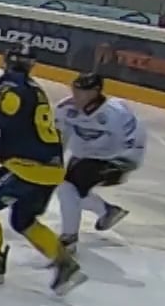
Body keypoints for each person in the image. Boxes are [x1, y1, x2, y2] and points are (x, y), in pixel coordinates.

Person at [0, 43, 83, 293]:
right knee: (23, 219)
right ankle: (64, 262)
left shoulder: (10, 86)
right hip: (52, 168)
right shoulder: (34, 88)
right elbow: (22, 129)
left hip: (27, 167)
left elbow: (15, 135)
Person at [55, 71, 145, 247]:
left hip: (116, 159)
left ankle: (69, 238)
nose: (76, 95)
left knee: (68, 188)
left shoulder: (116, 113)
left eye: (81, 92)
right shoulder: (65, 108)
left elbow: (135, 139)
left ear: (95, 92)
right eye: (75, 90)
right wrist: (54, 159)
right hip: (84, 156)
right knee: (69, 191)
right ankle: (106, 211)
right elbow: (59, 136)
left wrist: (124, 163)